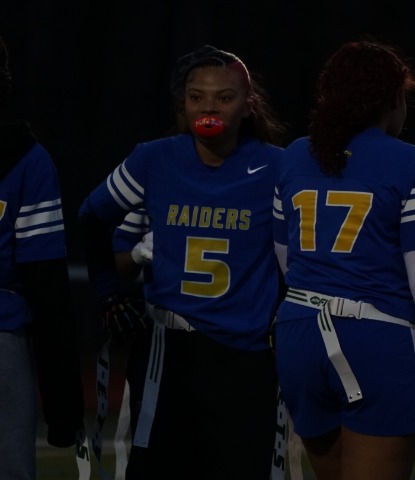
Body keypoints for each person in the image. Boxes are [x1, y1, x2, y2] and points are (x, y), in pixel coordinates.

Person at [272, 39, 415, 480]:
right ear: (391, 100)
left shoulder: (293, 155)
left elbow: (287, 261)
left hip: (299, 335)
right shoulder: (412, 163)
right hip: (375, 342)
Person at [78, 44, 288, 479]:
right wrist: (109, 293)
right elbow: (91, 219)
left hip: (244, 357)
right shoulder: (153, 159)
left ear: (248, 105)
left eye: (224, 97)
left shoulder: (277, 167)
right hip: (168, 350)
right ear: (183, 103)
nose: (208, 107)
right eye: (197, 97)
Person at [0, 36, 85, 480]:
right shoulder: (27, 160)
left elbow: (47, 286)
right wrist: (63, 408)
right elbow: (47, 289)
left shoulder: (28, 162)